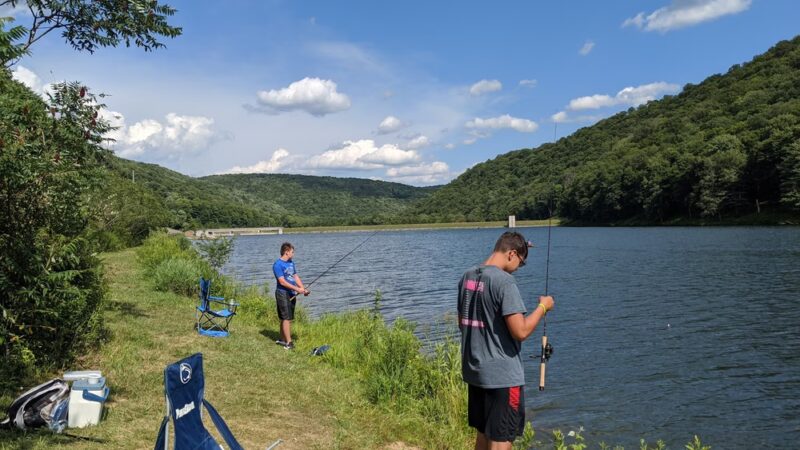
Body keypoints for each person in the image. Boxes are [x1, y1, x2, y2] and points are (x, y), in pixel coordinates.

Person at [457, 231, 554, 449]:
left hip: (476, 373)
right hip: (503, 378)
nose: (519, 267)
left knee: (483, 434)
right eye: (521, 261)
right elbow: (521, 331)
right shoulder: (504, 282)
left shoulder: (467, 277)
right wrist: (543, 307)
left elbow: (461, 323)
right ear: (511, 253)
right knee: (501, 440)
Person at [272, 242, 309, 350]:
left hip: (291, 293)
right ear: (286, 252)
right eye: (292, 252)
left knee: (287, 318)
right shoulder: (277, 265)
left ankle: (282, 339)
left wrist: (303, 289)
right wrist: (297, 289)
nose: (293, 254)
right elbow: (282, 282)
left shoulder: (291, 263)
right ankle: (289, 343)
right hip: (282, 293)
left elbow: (295, 276)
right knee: (286, 318)